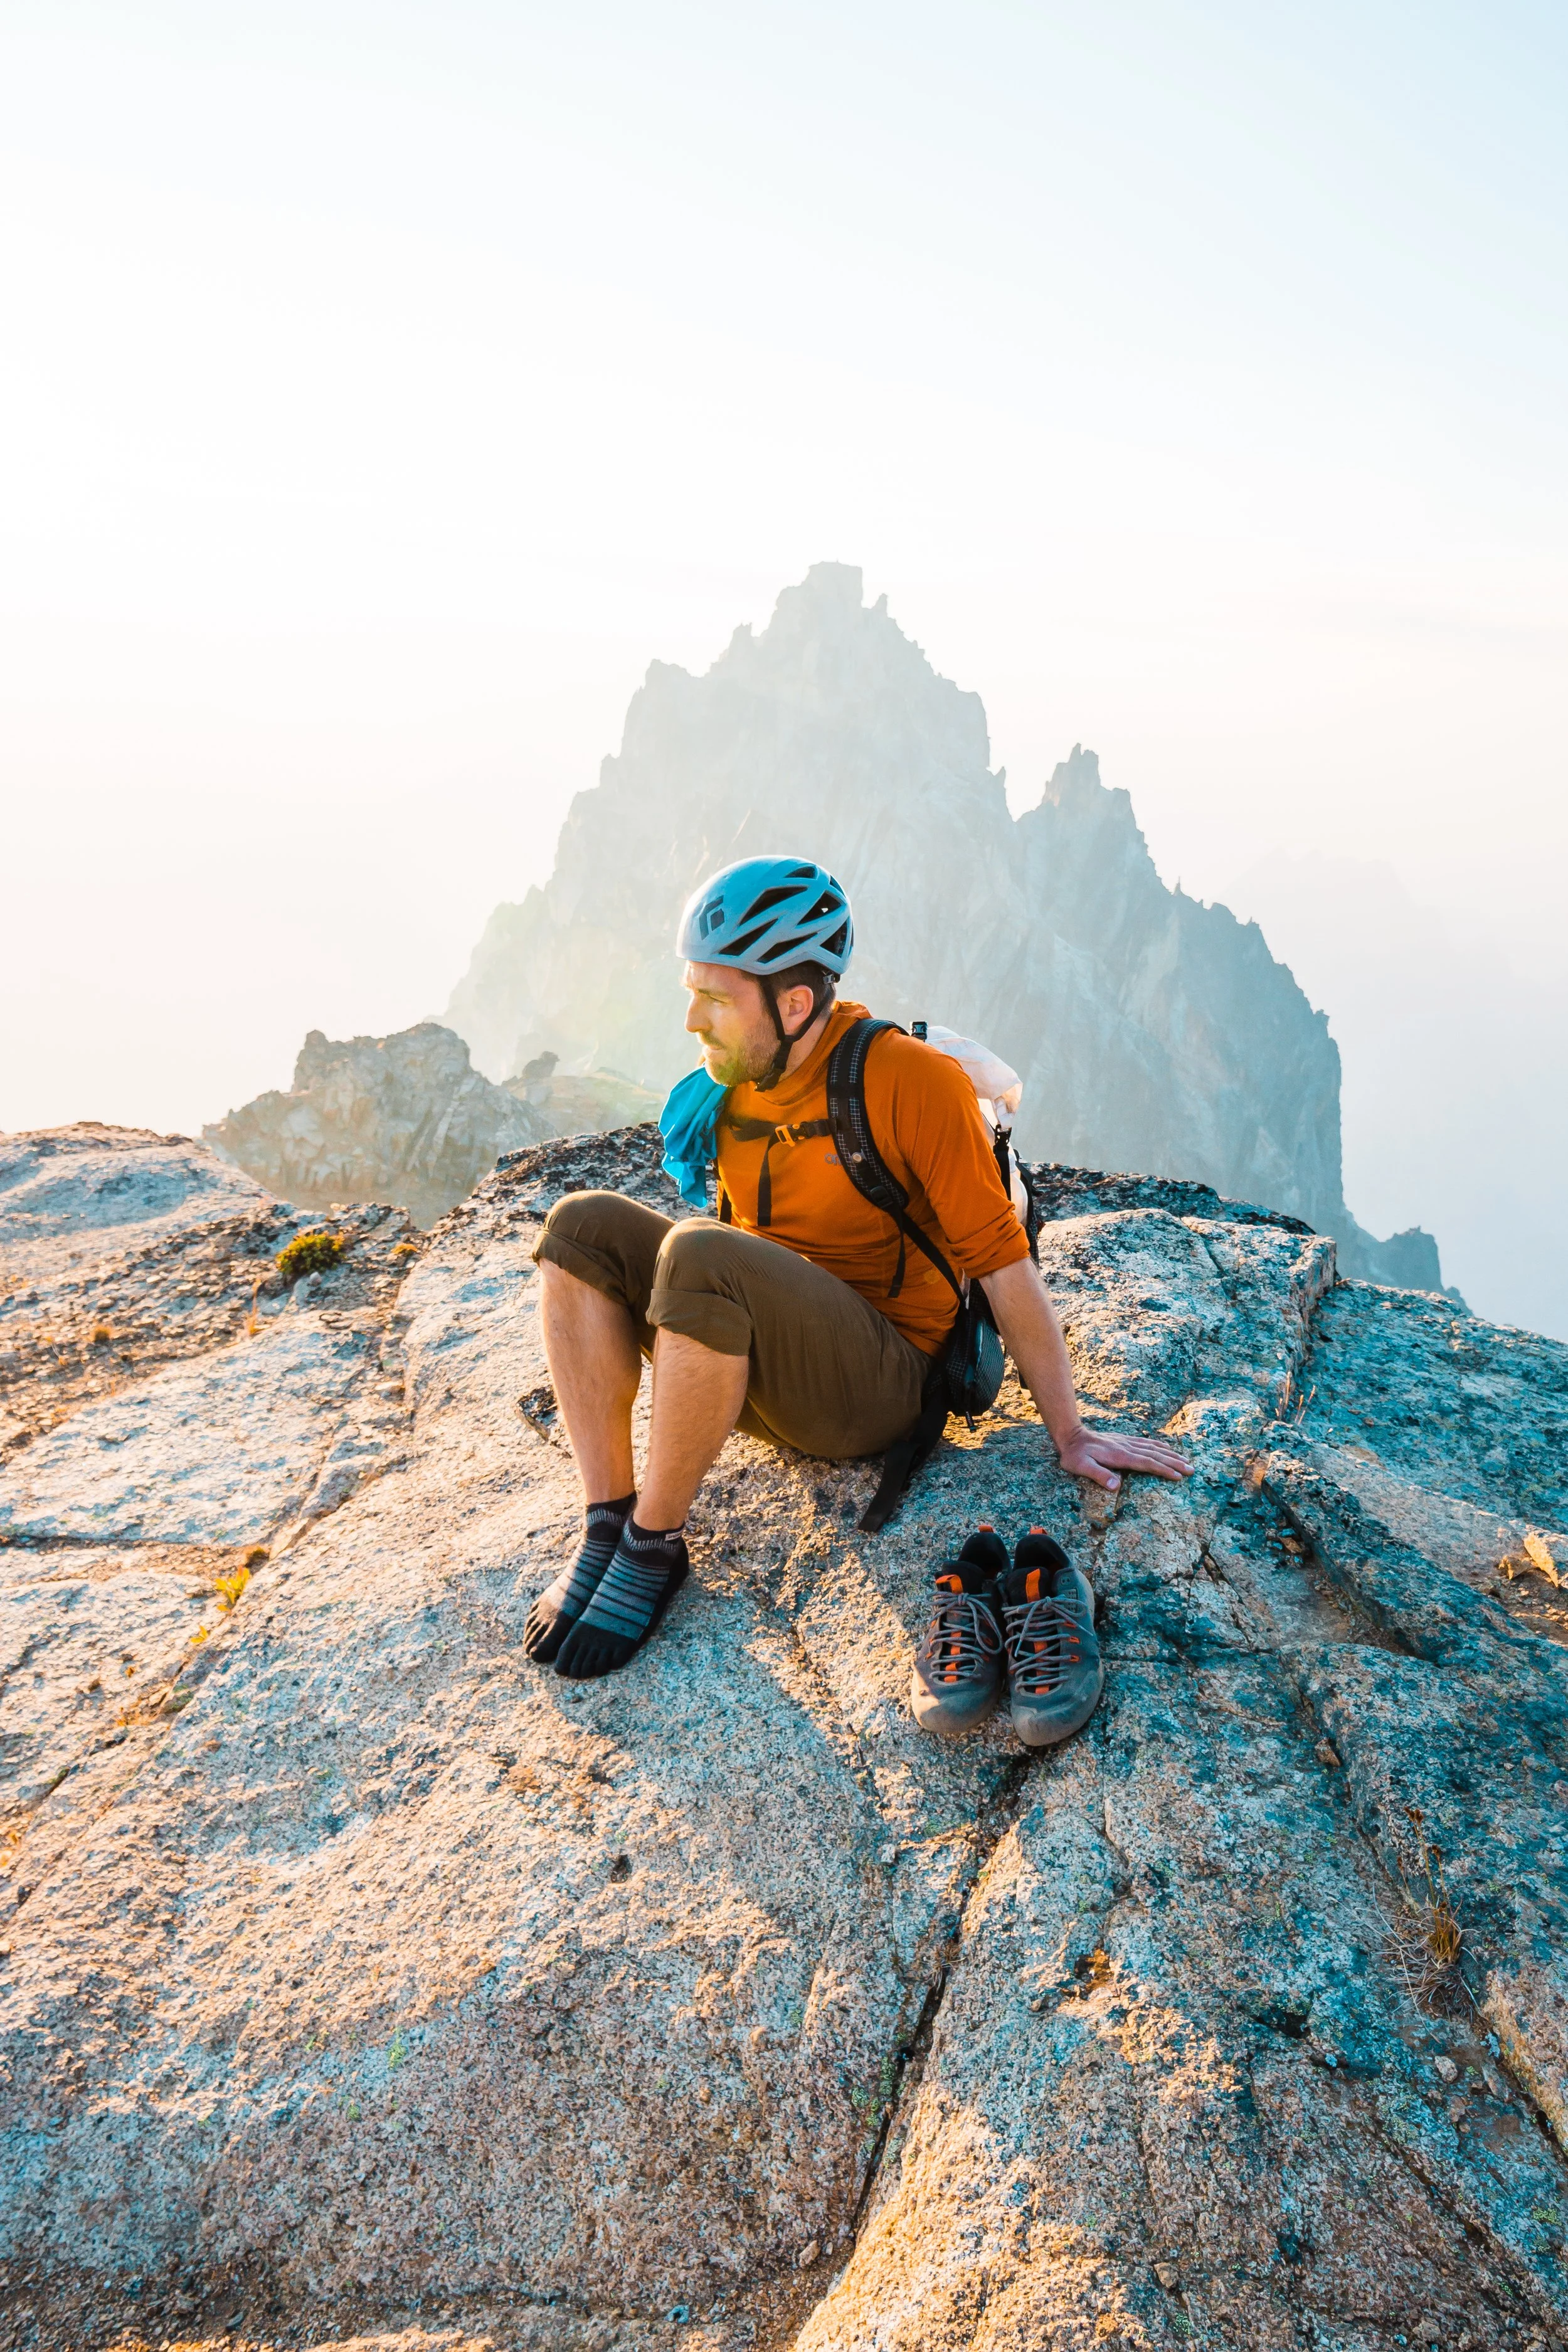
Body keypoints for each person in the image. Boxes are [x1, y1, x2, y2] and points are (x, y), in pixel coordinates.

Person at [522, 856, 1192, 1715]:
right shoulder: (725, 1093)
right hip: (763, 1365)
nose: (691, 1017)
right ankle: (610, 1520)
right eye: (691, 990)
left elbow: (1002, 1264)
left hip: (876, 1388)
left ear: (794, 1003)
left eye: (716, 998)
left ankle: (654, 1545)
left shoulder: (910, 1081)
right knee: (578, 1226)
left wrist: (1069, 1429)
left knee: (698, 1250)